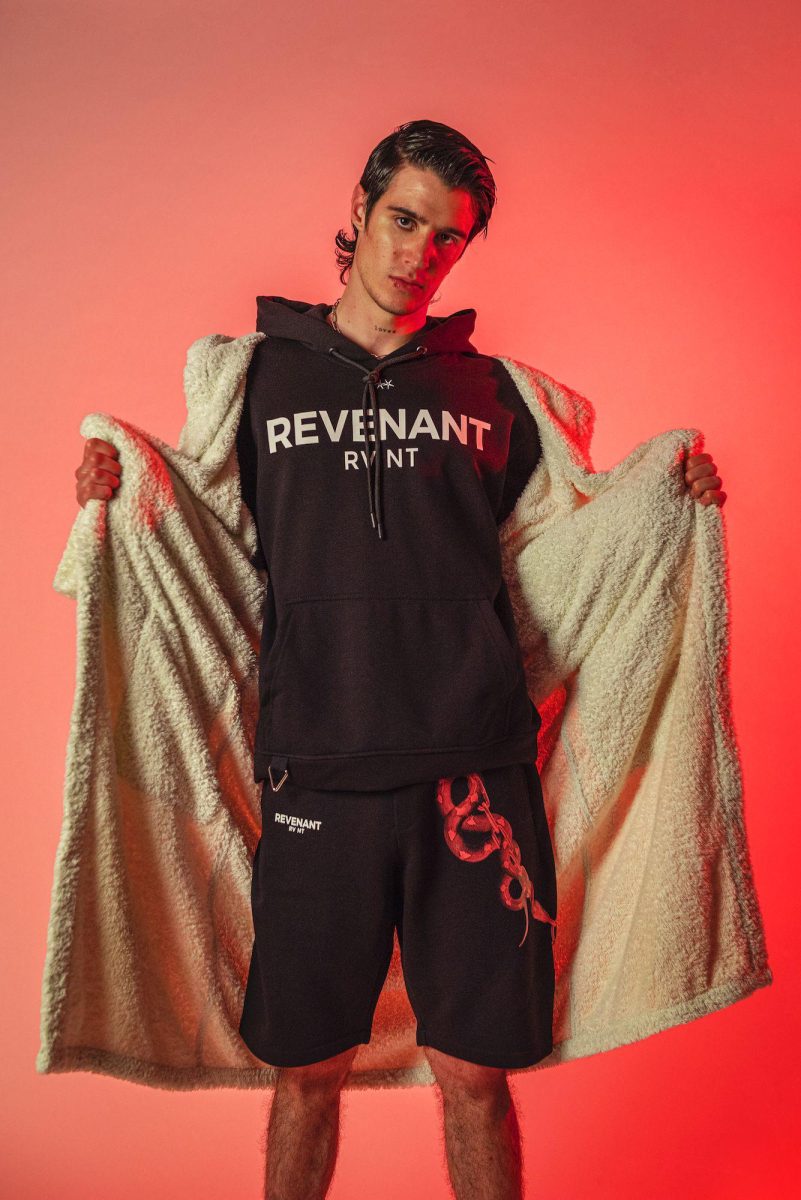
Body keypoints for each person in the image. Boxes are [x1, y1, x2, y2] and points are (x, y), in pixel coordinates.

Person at [73, 119, 727, 1200]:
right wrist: (120, 495)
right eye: (404, 221)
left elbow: (574, 543)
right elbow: (198, 524)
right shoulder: (259, 380)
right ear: (362, 210)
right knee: (305, 1075)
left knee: (476, 1079)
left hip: (475, 775)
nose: (420, 253)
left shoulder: (496, 395)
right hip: (318, 770)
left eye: (448, 237)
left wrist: (669, 502)